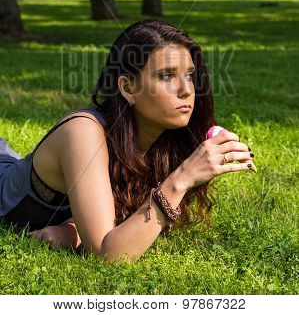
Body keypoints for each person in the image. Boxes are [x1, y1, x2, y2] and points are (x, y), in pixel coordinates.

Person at [0, 19, 257, 263]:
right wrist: (182, 179)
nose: (186, 89)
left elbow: (124, 214)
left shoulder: (162, 134)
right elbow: (108, 254)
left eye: (189, 75)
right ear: (128, 88)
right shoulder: (84, 133)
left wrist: (74, 231)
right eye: (167, 75)